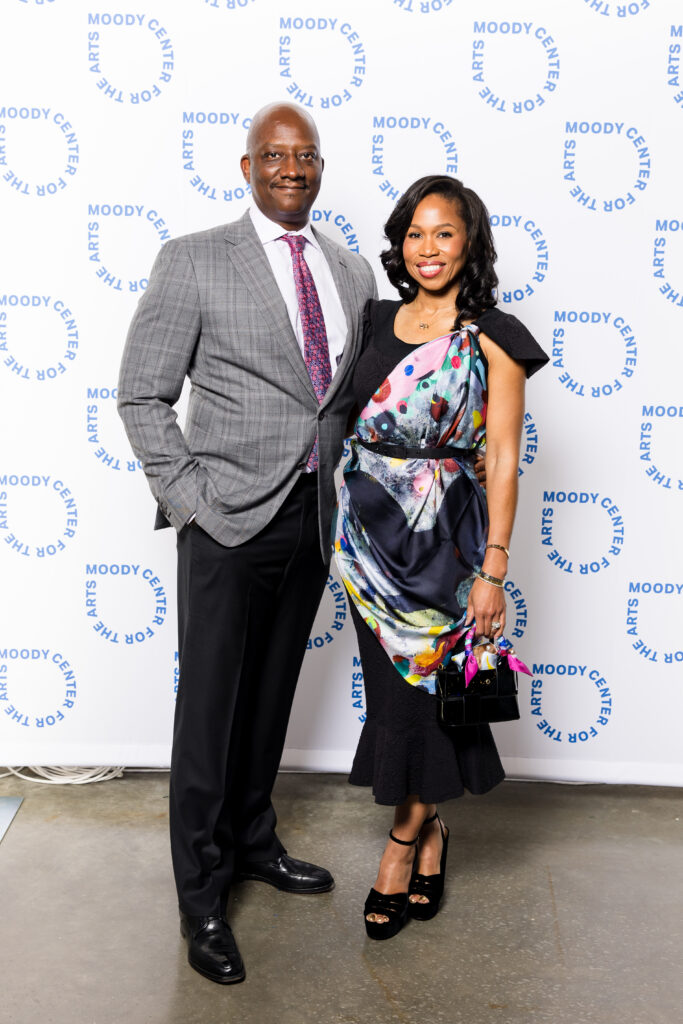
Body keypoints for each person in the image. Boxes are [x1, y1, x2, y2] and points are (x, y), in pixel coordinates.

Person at [117, 102, 377, 983]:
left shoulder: (348, 271)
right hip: (225, 523)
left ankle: (254, 841)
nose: (292, 168)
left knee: (269, 700)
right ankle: (201, 893)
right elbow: (141, 396)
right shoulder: (193, 260)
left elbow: (336, 404)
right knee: (210, 714)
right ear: (246, 166)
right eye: (275, 154)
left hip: (311, 523)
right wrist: (190, 500)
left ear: (319, 166)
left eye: (305, 155)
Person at [334, 175, 548, 940]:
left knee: (428, 703)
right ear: (400, 244)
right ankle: (433, 835)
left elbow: (501, 455)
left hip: (447, 552)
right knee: (394, 703)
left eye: (444, 234)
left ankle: (399, 847)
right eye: (415, 235)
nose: (428, 249)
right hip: (365, 546)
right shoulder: (371, 321)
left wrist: (492, 569)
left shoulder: (494, 334)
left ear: (469, 244)